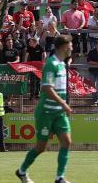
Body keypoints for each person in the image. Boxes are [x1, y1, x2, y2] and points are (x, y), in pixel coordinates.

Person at [16, 35, 73, 183]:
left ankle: (59, 177)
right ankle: (21, 171)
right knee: (41, 147)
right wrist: (63, 103)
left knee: (66, 142)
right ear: (63, 47)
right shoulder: (51, 63)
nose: (72, 47)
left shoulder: (61, 64)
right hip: (46, 111)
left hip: (59, 113)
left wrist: (61, 106)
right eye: (70, 45)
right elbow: (47, 88)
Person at [86, 39, 98, 106]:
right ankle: (95, 99)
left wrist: (94, 63)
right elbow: (88, 61)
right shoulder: (91, 51)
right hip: (92, 71)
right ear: (95, 45)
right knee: (93, 86)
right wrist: (97, 63)